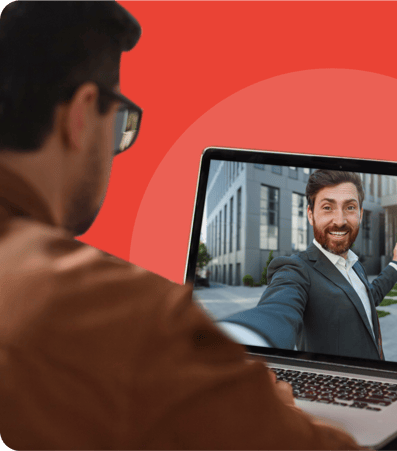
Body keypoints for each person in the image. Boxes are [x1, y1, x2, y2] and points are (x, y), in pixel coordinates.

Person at [0, 2, 365, 450]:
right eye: (119, 123)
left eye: (351, 207)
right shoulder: (119, 314)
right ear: (82, 113)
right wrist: (265, 408)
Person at [221, 170, 397, 360]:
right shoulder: (297, 269)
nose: (340, 221)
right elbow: (278, 308)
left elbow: (371, 296)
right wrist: (240, 342)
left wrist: (396, 263)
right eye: (328, 207)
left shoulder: (355, 265)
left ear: (360, 215)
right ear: (310, 215)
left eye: (350, 207)